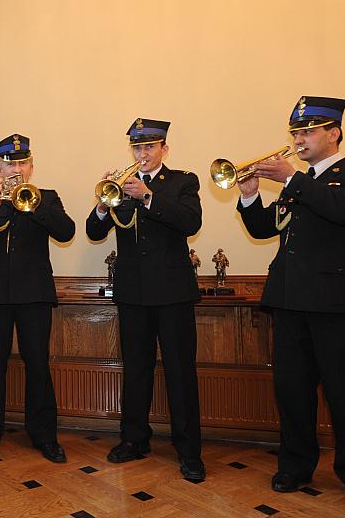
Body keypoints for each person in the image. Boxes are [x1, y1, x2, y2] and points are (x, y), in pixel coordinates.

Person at [237, 96, 345, 515]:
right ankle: (296, 466)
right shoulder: (297, 185)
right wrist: (249, 198)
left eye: (307, 132)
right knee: (292, 393)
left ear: (333, 133)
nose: (298, 139)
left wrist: (292, 180)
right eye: (295, 133)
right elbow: (267, 228)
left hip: (339, 306)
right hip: (289, 302)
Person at [85, 118, 205, 481]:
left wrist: (147, 197)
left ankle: (189, 451)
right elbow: (93, 231)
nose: (142, 154)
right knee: (135, 370)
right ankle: (134, 440)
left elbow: (191, 223)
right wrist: (105, 203)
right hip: (133, 295)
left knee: (180, 373)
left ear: (164, 149)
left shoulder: (183, 181)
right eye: (137, 148)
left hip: (173, 294)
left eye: (149, 147)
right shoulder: (120, 187)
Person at [0, 134, 75, 463]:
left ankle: (44, 436)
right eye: (9, 162)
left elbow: (66, 231)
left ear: (32, 167)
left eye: (22, 162)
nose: (15, 168)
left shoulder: (46, 198)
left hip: (34, 295)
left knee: (37, 365)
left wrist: (34, 206)